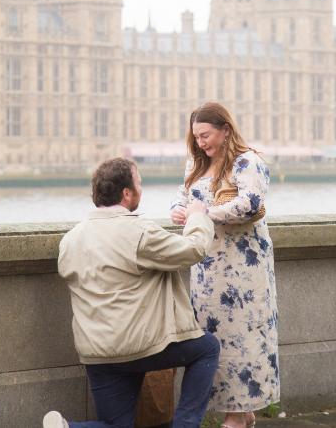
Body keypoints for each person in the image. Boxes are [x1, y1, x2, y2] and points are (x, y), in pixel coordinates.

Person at [45, 158, 220, 428]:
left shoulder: (71, 239)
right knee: (207, 348)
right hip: (140, 346)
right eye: (139, 183)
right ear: (127, 193)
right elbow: (193, 250)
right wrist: (198, 216)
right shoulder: (139, 231)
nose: (141, 189)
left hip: (96, 352)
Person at [170, 103, 279, 428]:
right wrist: (179, 211)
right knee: (213, 343)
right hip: (206, 271)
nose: (201, 143)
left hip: (245, 274)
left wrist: (203, 213)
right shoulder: (196, 163)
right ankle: (241, 413)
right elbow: (181, 197)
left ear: (225, 130)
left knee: (244, 342)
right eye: (196, 137)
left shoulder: (248, 162)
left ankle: (236, 415)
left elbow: (252, 204)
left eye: (206, 135)